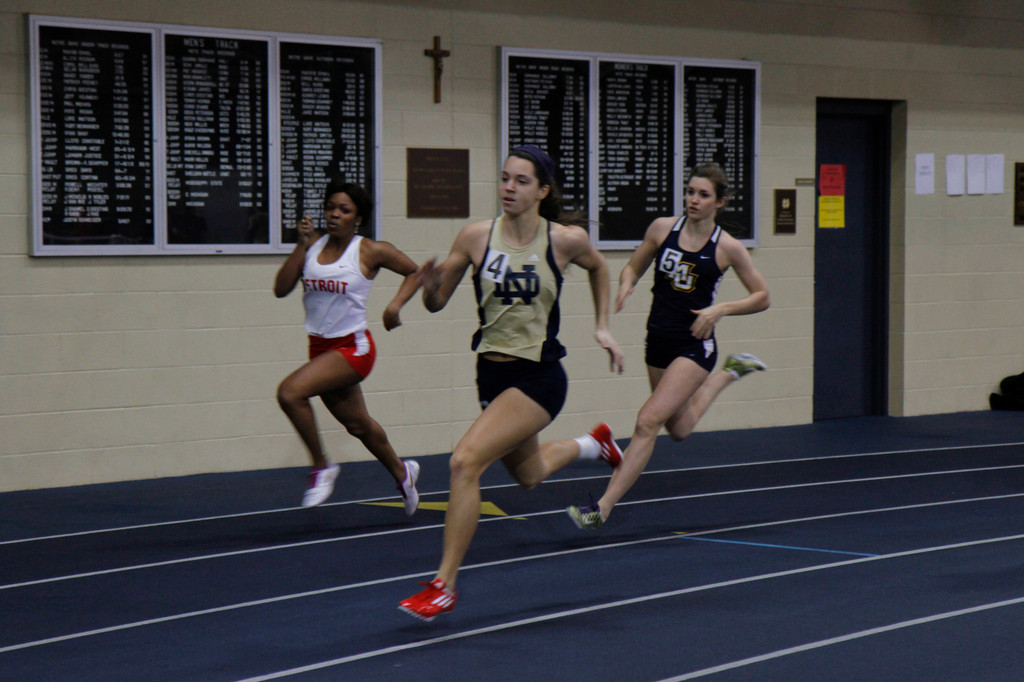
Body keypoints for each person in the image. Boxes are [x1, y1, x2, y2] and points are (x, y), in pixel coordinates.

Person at [398, 145, 625, 621]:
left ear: (543, 191)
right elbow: (437, 304)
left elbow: (601, 267)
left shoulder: (563, 240)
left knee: (464, 462)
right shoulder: (477, 237)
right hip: (492, 371)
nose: (509, 188)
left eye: (521, 181)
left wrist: (603, 325)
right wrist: (428, 286)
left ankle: (444, 584)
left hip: (539, 375)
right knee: (529, 475)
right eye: (504, 178)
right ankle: (594, 444)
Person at [567, 162, 770, 530]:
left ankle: (602, 507)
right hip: (657, 339)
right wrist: (628, 282)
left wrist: (721, 309)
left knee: (647, 422)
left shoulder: (728, 247)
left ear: (719, 202)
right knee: (678, 428)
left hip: (694, 345)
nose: (693, 199)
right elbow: (633, 266)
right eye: (690, 191)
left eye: (703, 194)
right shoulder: (663, 228)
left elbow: (763, 297)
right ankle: (729, 372)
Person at [274, 179, 423, 513]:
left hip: (353, 348)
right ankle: (403, 473)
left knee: (290, 393)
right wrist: (300, 244)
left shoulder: (369, 250)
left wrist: (394, 306)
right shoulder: (312, 245)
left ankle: (322, 466)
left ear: (358, 218)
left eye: (344, 210)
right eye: (330, 207)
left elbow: (414, 272)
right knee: (358, 426)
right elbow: (281, 288)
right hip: (320, 350)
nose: (334, 214)